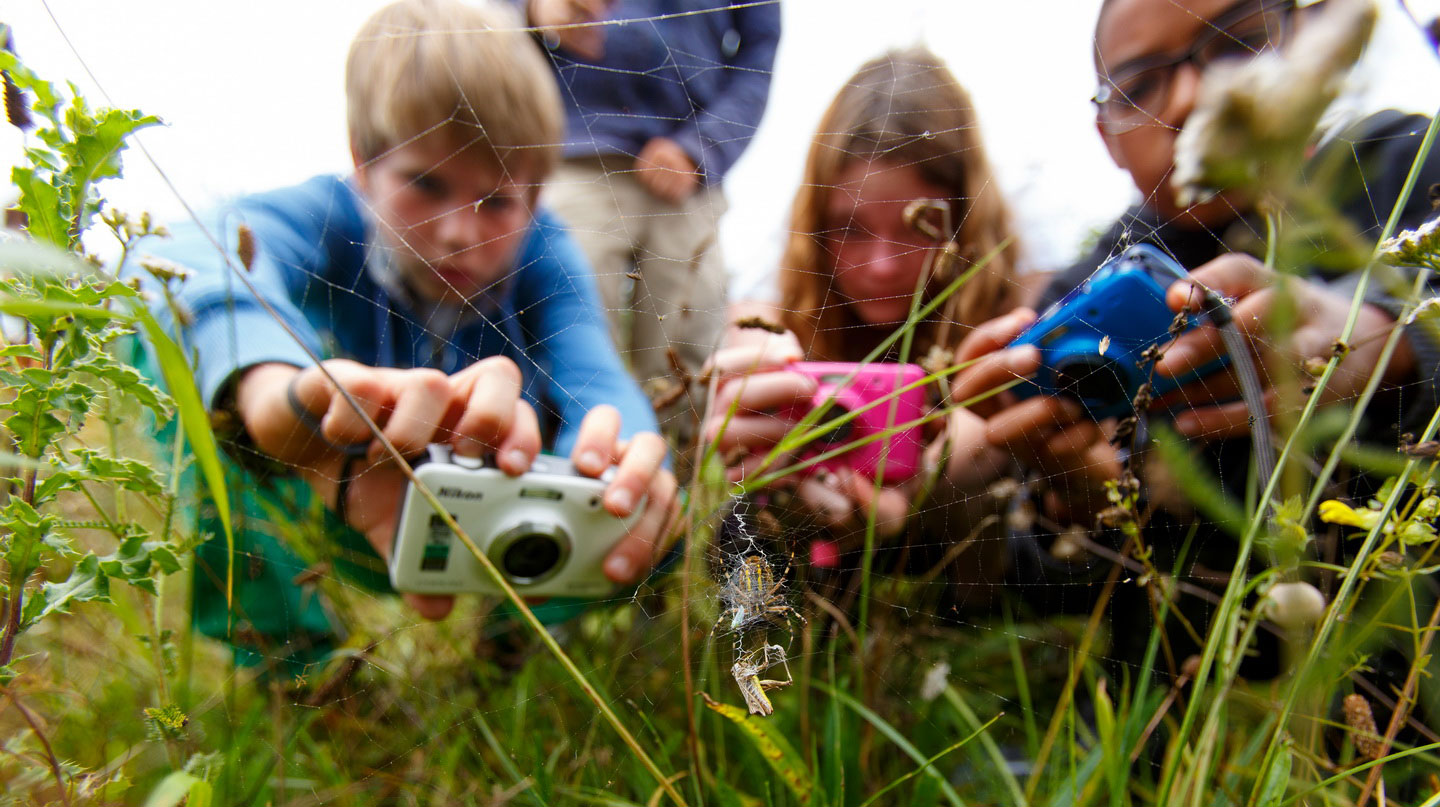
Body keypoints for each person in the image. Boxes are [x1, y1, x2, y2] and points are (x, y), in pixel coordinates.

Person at [135, 0, 677, 667]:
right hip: (334, 493)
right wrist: (270, 392)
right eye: (425, 183)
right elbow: (181, 254)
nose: (458, 230)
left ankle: (515, 647)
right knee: (201, 384)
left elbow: (596, 376)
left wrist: (623, 462)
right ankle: (299, 672)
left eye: (497, 201)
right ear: (364, 163)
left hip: (499, 523)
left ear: (535, 197)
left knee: (655, 505)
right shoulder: (327, 215)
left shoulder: (546, 254)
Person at [946, 0, 1440, 671]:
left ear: (1304, 44)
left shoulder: (1404, 163)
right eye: (1140, 85)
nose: (1192, 95)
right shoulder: (1086, 282)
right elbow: (1050, 578)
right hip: (1182, 706)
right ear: (1106, 133)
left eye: (1236, 45)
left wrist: (1388, 335)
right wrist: (1092, 500)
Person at [703, 47, 1027, 607]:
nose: (881, 266)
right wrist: (746, 395)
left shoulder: (1010, 322)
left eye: (916, 226)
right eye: (850, 228)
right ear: (815, 226)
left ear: (964, 218)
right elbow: (754, 334)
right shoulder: (787, 325)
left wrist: (943, 462)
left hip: (965, 610)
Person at [520, 0, 781, 431]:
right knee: (561, 318)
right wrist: (532, 9)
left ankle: (673, 480)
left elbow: (760, 53)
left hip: (687, 170)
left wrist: (703, 147)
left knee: (687, 342)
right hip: (579, 149)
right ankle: (559, 464)